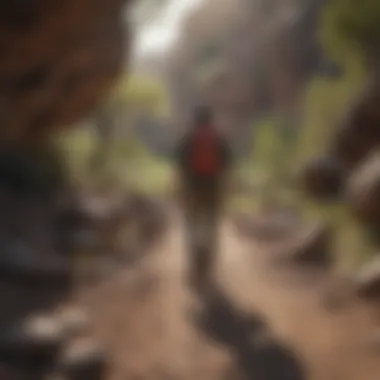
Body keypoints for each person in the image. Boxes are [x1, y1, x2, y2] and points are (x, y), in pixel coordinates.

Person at [175, 106, 231, 292]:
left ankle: (194, 267)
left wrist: (180, 189)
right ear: (210, 120)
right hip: (213, 188)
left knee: (192, 225)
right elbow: (227, 165)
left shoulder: (189, 139)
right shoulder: (218, 139)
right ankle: (207, 267)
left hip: (193, 188)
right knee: (211, 225)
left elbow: (180, 166)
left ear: (195, 120)